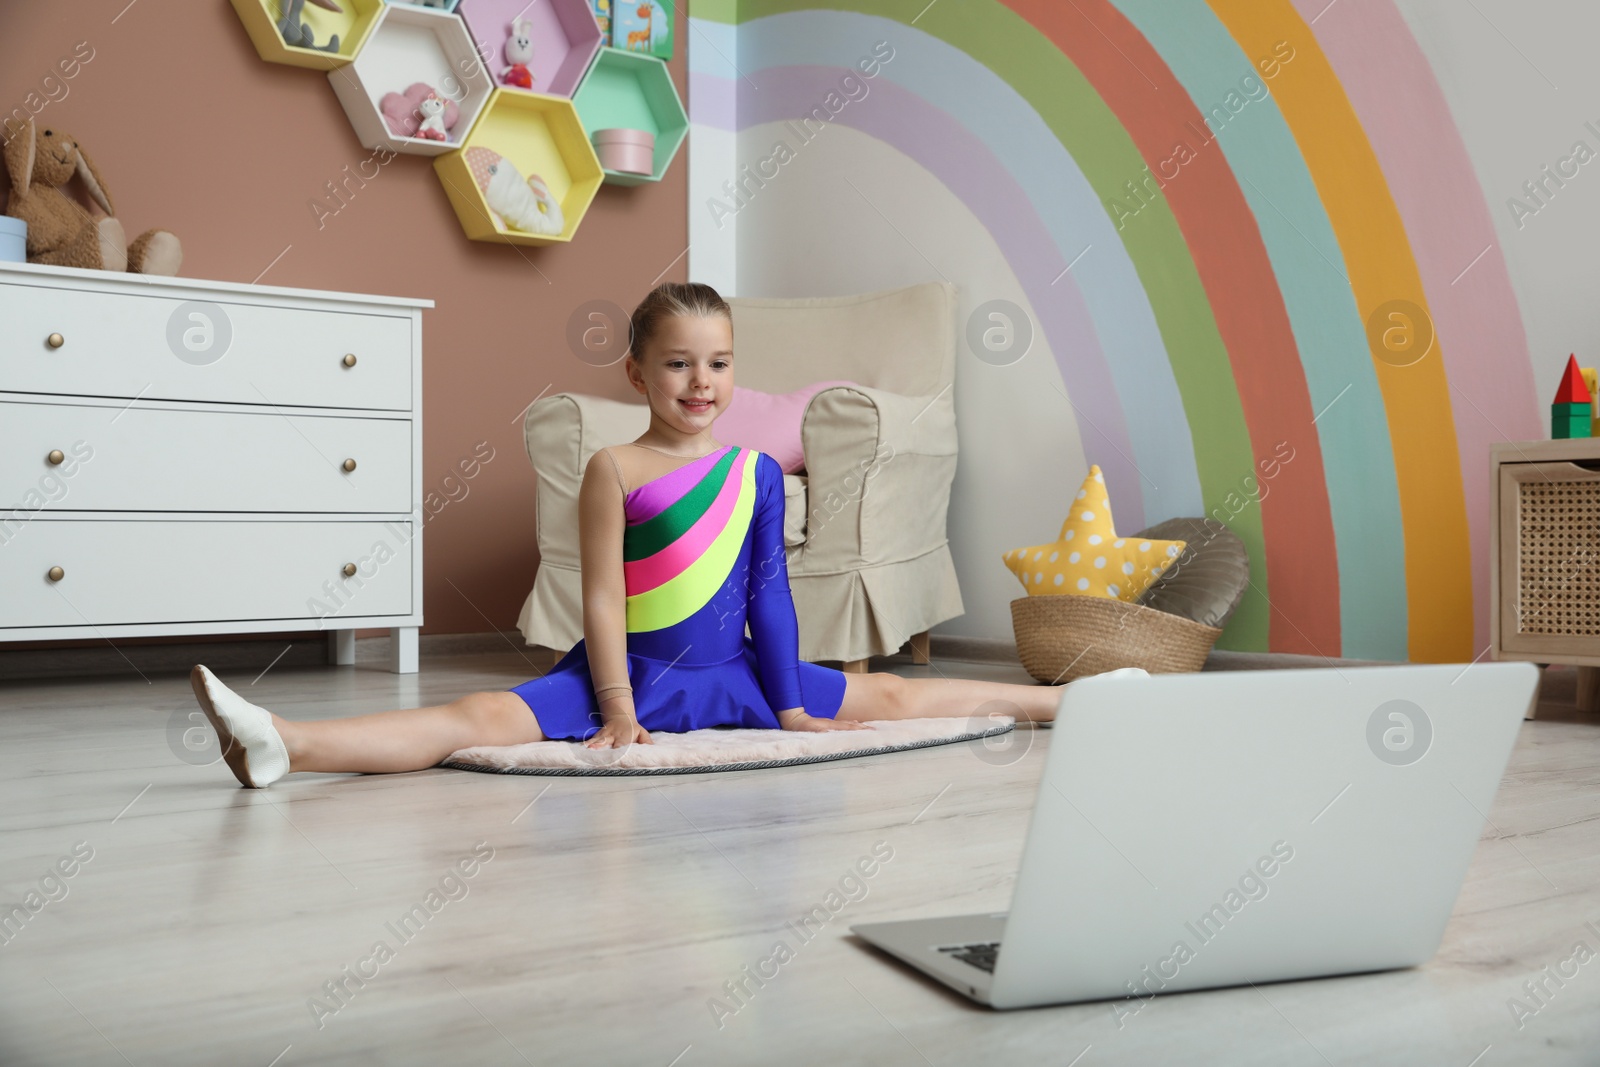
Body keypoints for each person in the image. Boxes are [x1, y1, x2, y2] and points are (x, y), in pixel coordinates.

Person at [189, 282, 1063, 788]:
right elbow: (602, 595)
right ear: (638, 371)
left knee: (902, 701)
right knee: (477, 717)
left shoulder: (757, 472)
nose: (700, 381)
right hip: (636, 676)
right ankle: (285, 741)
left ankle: (1077, 702)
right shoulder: (614, 468)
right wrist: (615, 705)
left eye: (718, 363)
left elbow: (766, 591)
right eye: (679, 362)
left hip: (741, 677)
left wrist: (791, 704)